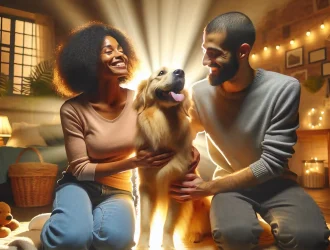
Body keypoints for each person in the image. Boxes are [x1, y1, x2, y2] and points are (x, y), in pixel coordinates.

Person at [170, 12, 330, 250]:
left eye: (214, 53)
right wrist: (184, 157)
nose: (205, 60)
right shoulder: (200, 93)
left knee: (310, 239)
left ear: (242, 52)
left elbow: (272, 163)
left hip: (277, 183)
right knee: (234, 236)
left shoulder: (284, 89)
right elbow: (183, 138)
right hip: (228, 185)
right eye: (205, 50)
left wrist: (208, 187)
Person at [40, 22, 177, 250]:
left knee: (116, 241)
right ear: (88, 61)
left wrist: (187, 151)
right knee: (71, 239)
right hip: (78, 186)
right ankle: (55, 227)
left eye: (120, 48)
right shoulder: (72, 109)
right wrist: (133, 162)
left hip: (119, 190)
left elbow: (170, 133)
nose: (119, 54)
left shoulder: (141, 101)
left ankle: (75, 220)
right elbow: (81, 169)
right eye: (109, 51)